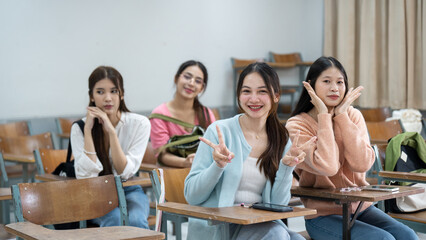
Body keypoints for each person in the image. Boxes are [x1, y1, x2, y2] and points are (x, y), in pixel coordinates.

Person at [285, 56, 418, 240]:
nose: (334, 88)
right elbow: (327, 166)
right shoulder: (297, 125)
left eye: (340, 82)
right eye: (326, 81)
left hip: (360, 209)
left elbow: (361, 164)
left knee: (408, 236)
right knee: (382, 239)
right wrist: (324, 115)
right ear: (311, 86)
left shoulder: (352, 116)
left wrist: (341, 117)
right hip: (322, 215)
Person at [184, 62, 315, 240]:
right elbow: (192, 196)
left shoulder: (281, 137)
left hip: (260, 224)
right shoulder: (219, 131)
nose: (253, 99)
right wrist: (217, 166)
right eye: (246, 91)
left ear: (276, 96)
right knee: (277, 235)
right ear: (238, 96)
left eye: (262, 91)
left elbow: (277, 205)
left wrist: (286, 168)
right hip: (220, 227)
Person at [70, 66, 150, 228]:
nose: (108, 98)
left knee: (135, 220)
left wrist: (112, 133)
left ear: (122, 94)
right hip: (94, 192)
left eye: (114, 91)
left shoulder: (140, 123)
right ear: (91, 96)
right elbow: (86, 177)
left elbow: (125, 172)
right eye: (100, 92)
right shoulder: (79, 128)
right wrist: (87, 130)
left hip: (129, 189)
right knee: (114, 219)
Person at [150, 60, 216, 167]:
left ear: (201, 88)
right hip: (172, 175)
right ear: (176, 79)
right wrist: (185, 162)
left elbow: (214, 146)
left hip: (203, 174)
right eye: (187, 77)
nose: (191, 83)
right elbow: (162, 154)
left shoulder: (206, 113)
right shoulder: (159, 115)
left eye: (198, 81)